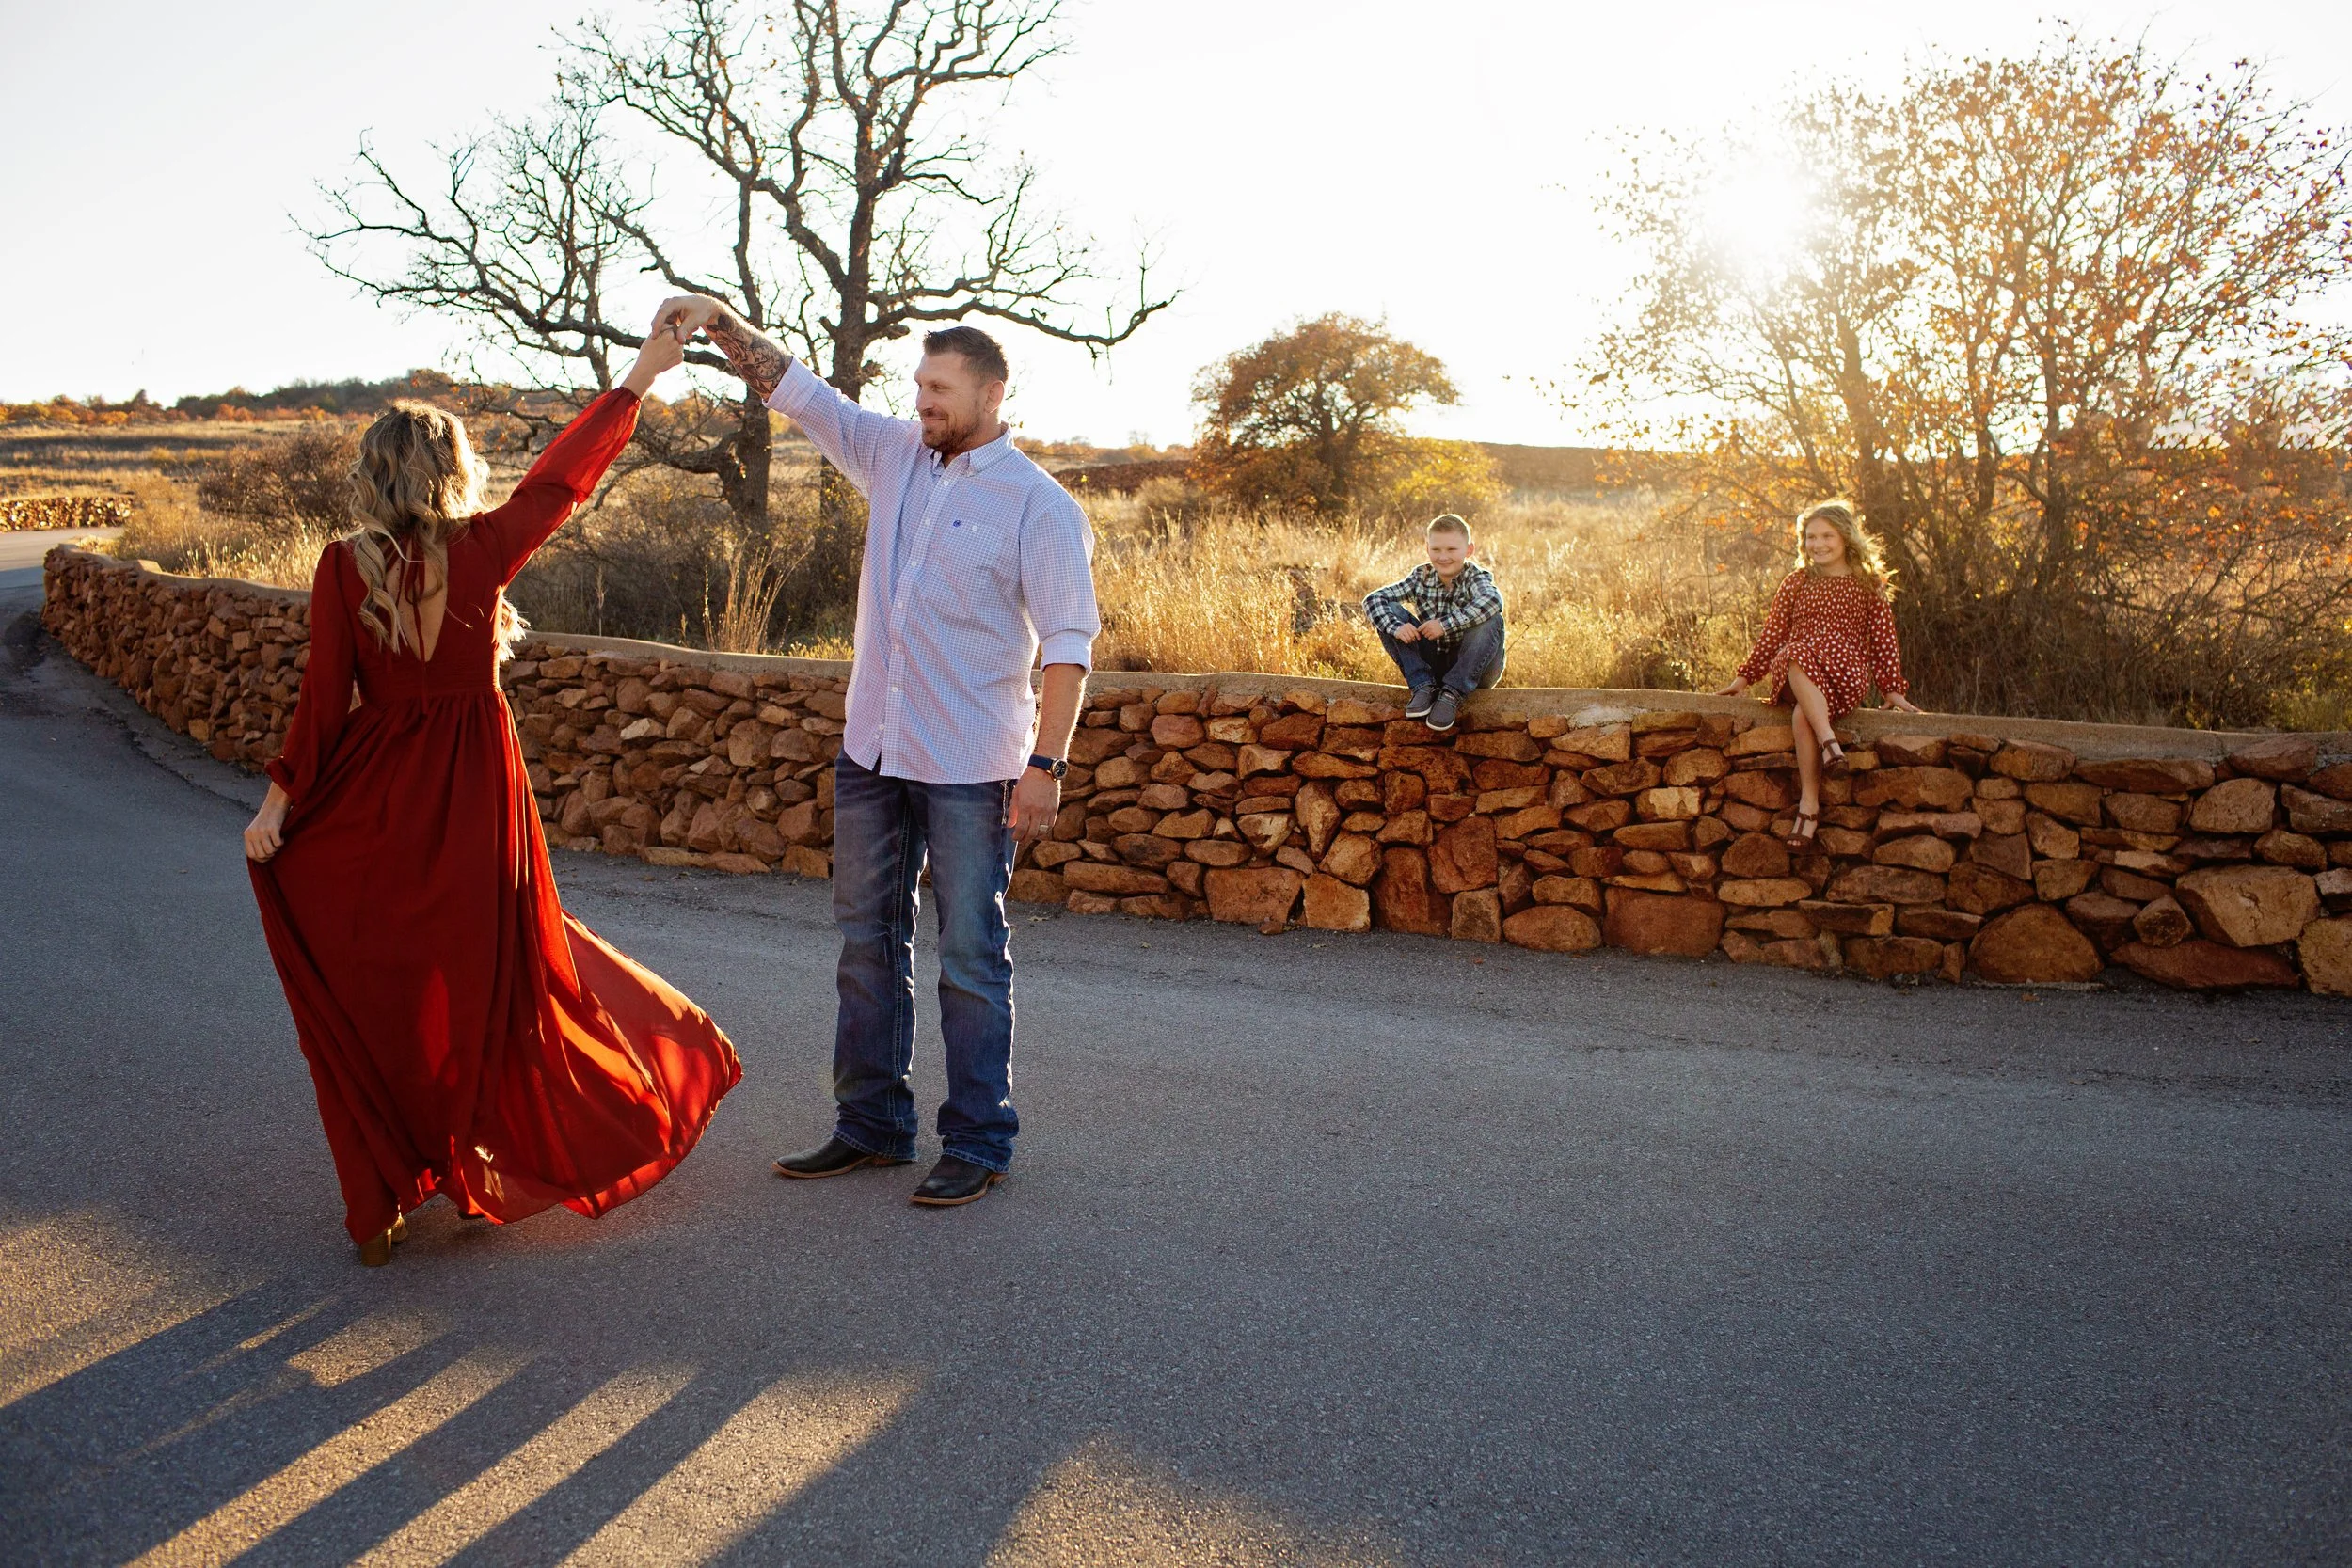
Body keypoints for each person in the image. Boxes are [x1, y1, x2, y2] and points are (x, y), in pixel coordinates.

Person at [243, 326, 742, 1266]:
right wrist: (640, 372)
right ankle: (482, 1162)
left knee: (382, 979)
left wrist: (279, 805)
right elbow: (562, 479)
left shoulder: (341, 566)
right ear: (450, 469)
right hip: (475, 789)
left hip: (379, 790)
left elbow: (322, 704)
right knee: (490, 976)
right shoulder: (485, 547)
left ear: (372, 476)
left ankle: (388, 1187)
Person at [653, 293, 1098, 1209]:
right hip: (873, 751)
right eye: (920, 385)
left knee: (971, 954)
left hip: (974, 767)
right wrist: (722, 323)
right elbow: (801, 393)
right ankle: (870, 1125)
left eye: (940, 389)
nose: (923, 401)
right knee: (865, 944)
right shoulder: (892, 452)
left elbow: (1067, 644)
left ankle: (977, 1138)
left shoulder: (1039, 506)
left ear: (991, 393)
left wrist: (1045, 765)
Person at [1715, 499, 1923, 853]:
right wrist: (1745, 678)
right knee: (1795, 652)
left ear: (1845, 538)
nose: (1819, 544)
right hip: (1798, 670)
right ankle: (1825, 760)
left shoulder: (1867, 583)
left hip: (1845, 674)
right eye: (1811, 537)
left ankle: (1810, 803)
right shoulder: (1796, 582)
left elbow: (1884, 638)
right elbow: (1773, 634)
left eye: (1827, 536)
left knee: (1803, 714)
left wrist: (1892, 689)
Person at [1363, 513, 1506, 734]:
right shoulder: (1422, 576)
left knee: (1492, 619)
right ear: (1427, 549)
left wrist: (1444, 624)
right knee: (1389, 611)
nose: (1443, 557)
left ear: (1469, 550)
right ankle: (1423, 686)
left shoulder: (1476, 577)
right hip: (1434, 664)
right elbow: (1373, 599)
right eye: (1436, 549)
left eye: (1452, 550)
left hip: (1474, 668)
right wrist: (1397, 628)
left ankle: (1452, 694)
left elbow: (1492, 601)